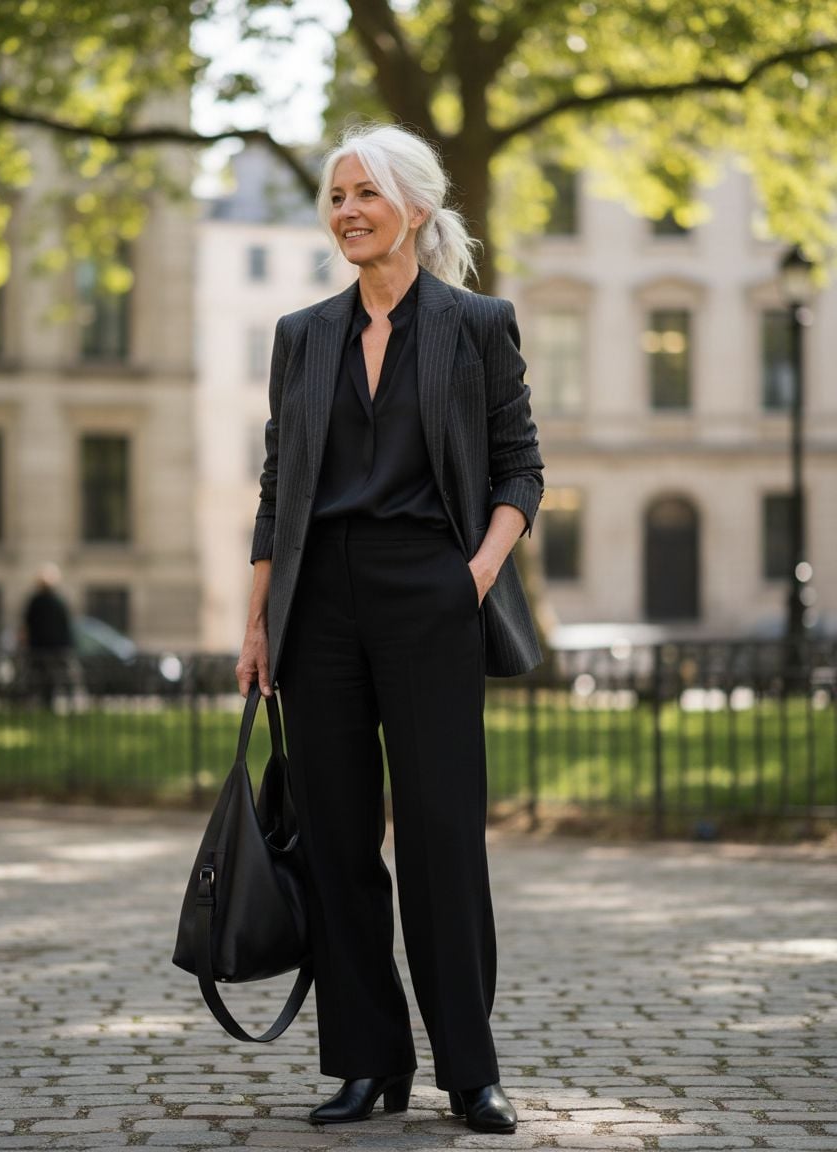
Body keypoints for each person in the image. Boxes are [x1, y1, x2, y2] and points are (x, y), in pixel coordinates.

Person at [236, 122, 544, 1135]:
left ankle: (469, 1070)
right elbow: (278, 487)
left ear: (413, 208)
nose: (348, 211)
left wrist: (474, 575)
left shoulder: (476, 324)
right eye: (336, 196)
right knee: (335, 841)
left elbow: (519, 468)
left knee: (442, 838)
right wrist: (258, 621)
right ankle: (366, 1063)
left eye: (365, 193)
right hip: (318, 605)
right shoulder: (301, 335)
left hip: (430, 595)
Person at [22, 563, 74, 706]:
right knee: (57, 678)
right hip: (56, 647)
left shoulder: (37, 601)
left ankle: (46, 702)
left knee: (43, 678)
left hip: (42, 647)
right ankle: (61, 702)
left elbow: (28, 624)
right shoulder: (58, 601)